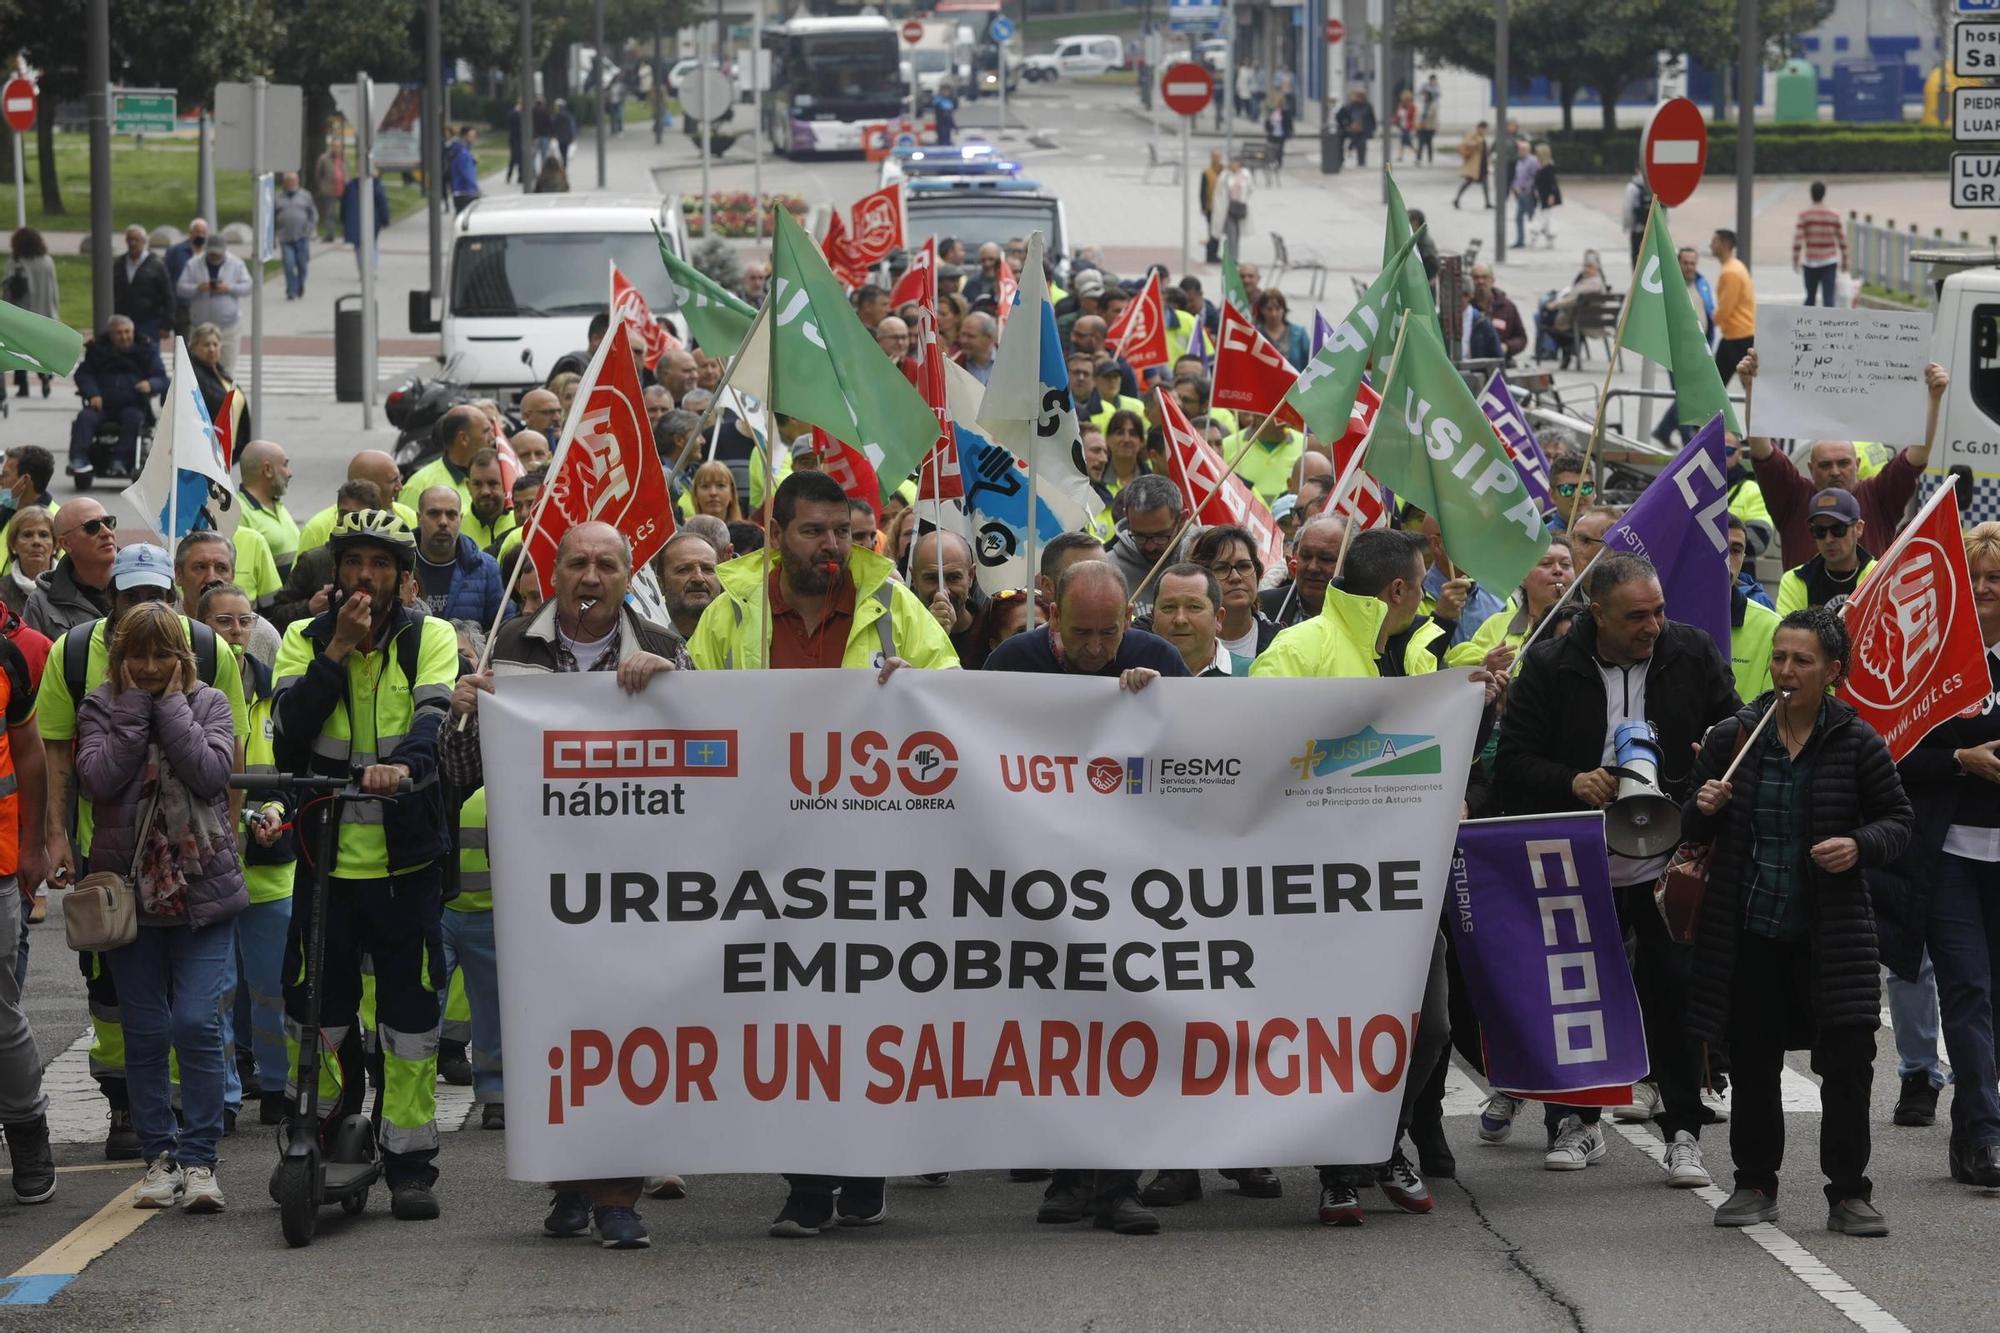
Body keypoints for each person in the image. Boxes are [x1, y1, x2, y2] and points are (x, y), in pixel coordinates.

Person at [687, 473, 954, 1237]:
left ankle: (864, 1164)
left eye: (843, 531)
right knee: (794, 1018)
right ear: (776, 534)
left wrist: (922, 694)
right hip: (769, 856)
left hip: (877, 852)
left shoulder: (894, 610)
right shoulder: (731, 611)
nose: (832, 545)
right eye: (814, 531)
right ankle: (808, 1182)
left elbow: (955, 694)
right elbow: (696, 706)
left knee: (867, 1016)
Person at [443, 520, 687, 1245]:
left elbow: (709, 762)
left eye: (605, 564)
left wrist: (677, 695)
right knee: (555, 1040)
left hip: (636, 887)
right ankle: (569, 1181)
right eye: (577, 562)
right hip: (539, 888)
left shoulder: (665, 649)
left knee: (628, 1033)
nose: (590, 576)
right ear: (552, 572)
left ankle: (617, 1195)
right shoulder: (509, 646)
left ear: (626, 574)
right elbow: (460, 778)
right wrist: (461, 718)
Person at [1491, 554, 1739, 1183]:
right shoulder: (1549, 667)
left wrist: (1708, 754)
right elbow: (1512, 764)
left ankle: (1683, 1129)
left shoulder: (1692, 651)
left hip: (1666, 857)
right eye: (1636, 616)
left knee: (1674, 993)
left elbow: (1735, 729)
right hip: (1580, 858)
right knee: (1580, 995)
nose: (1653, 625)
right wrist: (1571, 780)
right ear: (1595, 614)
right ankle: (1576, 1123)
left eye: (1658, 611)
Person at [1250, 528, 1462, 1222]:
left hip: (1401, 879)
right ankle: (1340, 1167)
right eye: (1422, 585)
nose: (1429, 597)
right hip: (1321, 886)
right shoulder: (1299, 649)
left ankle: (1380, 1141)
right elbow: (1263, 753)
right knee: (1338, 1029)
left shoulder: (1404, 651)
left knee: (1428, 1026)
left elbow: (1420, 749)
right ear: (1396, 590)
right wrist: (1394, 761)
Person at [1684, 607, 1912, 1236]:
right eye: (1780, 657)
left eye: (1802, 661)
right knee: (1754, 1062)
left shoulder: (1856, 740)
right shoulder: (1738, 735)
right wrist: (1703, 806)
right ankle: (1754, 1183)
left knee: (1846, 1065)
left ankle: (1848, 1193)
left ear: (1832, 671)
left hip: (1831, 934)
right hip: (1751, 929)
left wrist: (1858, 845)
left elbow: (1899, 822)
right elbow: (1691, 829)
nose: (1786, 670)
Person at [985, 558, 1184, 1236]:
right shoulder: (1012, 661)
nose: (1098, 649)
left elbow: (1195, 753)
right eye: (1082, 634)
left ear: (1129, 618)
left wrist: (1163, 703)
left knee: (1125, 1024)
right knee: (1060, 1029)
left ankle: (1118, 1184)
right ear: (1050, 615)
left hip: (1129, 881)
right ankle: (1069, 1174)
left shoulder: (1156, 657)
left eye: (1109, 632)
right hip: (1039, 878)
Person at [271, 510, 459, 1222]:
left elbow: (431, 725)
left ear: (402, 576)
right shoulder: (303, 638)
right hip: (325, 864)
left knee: (409, 1020)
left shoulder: (428, 637)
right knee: (317, 1013)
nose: (366, 577)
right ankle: (316, 1131)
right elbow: (289, 734)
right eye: (355, 562)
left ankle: (410, 1162)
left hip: (405, 864)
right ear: (337, 569)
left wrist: (398, 770)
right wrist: (338, 651)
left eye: (381, 565)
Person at [75, 602, 243, 1213]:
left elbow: (211, 773)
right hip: (129, 899)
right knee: (144, 1032)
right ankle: (160, 1157)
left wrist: (168, 707)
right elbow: (98, 778)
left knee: (197, 1024)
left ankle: (200, 1161)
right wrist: (131, 711)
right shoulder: (100, 705)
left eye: (160, 655)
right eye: (136, 655)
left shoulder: (210, 704)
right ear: (118, 658)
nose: (147, 667)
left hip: (202, 892)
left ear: (183, 658)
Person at [1876, 522, 2000, 1189]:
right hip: (1947, 855)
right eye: (1974, 577)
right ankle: (1984, 1133)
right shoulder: (1932, 661)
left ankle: (1972, 1128)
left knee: (1994, 997)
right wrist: (1959, 757)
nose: (1984, 588)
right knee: (1967, 990)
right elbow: (1894, 752)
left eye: (1996, 579)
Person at [194, 582, 292, 1128]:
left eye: (244, 621)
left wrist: (274, 806)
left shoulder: (273, 693)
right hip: (207, 863)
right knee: (217, 993)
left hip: (269, 869)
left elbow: (284, 772)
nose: (236, 632)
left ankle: (277, 1086)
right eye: (223, 622)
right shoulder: (185, 693)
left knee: (274, 986)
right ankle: (224, 1097)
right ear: (200, 628)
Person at [1736, 354, 1945, 569]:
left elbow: (1917, 455)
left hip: (1868, 604)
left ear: (1858, 464)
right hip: (1801, 603)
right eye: (1825, 465)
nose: (1835, 472)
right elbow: (1762, 450)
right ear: (1810, 468)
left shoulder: (1879, 496)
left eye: (1843, 463)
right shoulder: (1793, 497)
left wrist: (1934, 398)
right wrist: (1753, 388)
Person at [1445, 537, 1575, 670]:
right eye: (1546, 563)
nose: (1558, 570)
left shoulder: (1585, 623)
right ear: (1522, 577)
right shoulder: (1496, 623)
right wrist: (1484, 666)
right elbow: (1456, 659)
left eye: (1566, 565)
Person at [70, 316, 165, 481]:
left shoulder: (146, 350)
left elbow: (162, 378)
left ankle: (120, 460)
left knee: (134, 419)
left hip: (133, 404)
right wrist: (92, 393)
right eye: (119, 333)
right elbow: (84, 374)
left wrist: (151, 384)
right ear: (111, 335)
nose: (124, 336)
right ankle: (79, 459)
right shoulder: (98, 350)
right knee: (84, 418)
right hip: (102, 404)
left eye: (127, 332)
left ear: (133, 332)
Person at [26, 498, 117, 640]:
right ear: (66, 543)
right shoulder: (41, 603)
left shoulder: (141, 585)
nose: (106, 532)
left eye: (109, 522)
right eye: (92, 527)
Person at [1774, 488, 1875, 616]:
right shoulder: (1795, 580)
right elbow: (1789, 634)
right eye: (1819, 531)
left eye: (1838, 529)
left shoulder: (1878, 576)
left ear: (1858, 528)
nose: (1828, 539)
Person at [411, 487, 503, 625]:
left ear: (460, 519)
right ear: (419, 518)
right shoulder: (400, 565)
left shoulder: (486, 568)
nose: (443, 522)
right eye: (434, 513)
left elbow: (502, 625)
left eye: (451, 514)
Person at [1190, 524, 1279, 666]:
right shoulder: (1182, 641)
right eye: (1221, 568)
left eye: (1244, 566)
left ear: (1258, 572)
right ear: (1201, 578)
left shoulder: (1281, 641)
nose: (1236, 577)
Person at [1417, 513, 1507, 649]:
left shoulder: (1501, 595)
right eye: (1468, 535)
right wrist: (1441, 618)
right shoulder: (1413, 600)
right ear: (1437, 544)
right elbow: (1413, 663)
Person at [1103, 475, 1184, 620]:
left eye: (1160, 536)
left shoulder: (1202, 557)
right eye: (1139, 536)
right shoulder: (1107, 570)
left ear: (1182, 520)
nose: (1150, 546)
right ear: (1127, 518)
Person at [175, 237, 251, 378]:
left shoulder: (236, 263)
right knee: (197, 370)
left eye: (218, 253)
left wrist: (229, 288)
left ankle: (225, 397)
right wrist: (198, 288)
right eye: (211, 253)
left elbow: (248, 287)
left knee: (227, 368)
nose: (214, 256)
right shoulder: (193, 263)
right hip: (200, 327)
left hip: (228, 327)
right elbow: (180, 288)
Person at [907, 530, 984, 667]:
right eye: (931, 578)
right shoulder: (900, 634)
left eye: (954, 578)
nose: (943, 591)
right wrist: (931, 636)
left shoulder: (993, 631)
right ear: (914, 578)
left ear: (971, 576)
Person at [1725, 514, 1781, 700]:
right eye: (1719, 549)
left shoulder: (1771, 627)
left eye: (1735, 550)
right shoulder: (1665, 615)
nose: (1727, 561)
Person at [1259, 513, 1346, 631]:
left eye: (1326, 558)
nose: (1312, 568)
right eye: (1306, 556)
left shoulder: (1366, 619)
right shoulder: (1262, 608)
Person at [1150, 562, 1237, 676]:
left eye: (1194, 607)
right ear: (1153, 617)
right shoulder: (1129, 677)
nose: (1180, 620)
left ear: (1218, 618)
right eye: (1168, 607)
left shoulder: (1252, 674)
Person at [5, 228, 58, 400]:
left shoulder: (15, 262)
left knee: (18, 349)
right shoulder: (47, 261)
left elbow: (7, 289)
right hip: (45, 311)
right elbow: (54, 289)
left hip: (22, 312)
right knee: (41, 349)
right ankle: (44, 376)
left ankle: (22, 385)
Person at [237, 441, 298, 575]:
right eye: (285, 465)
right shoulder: (239, 513)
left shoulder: (277, 505)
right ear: (268, 470)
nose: (290, 473)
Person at [188, 322, 249, 447]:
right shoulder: (192, 375)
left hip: (227, 447)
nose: (212, 349)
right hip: (208, 446)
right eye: (206, 345)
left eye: (215, 344)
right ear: (194, 347)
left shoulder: (220, 371)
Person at [112, 225, 173, 346]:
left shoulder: (156, 265)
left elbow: (168, 295)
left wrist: (167, 324)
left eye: (137, 240)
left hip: (149, 322)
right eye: (130, 240)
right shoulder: (119, 264)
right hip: (123, 321)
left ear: (144, 242)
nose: (133, 243)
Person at [1710, 228, 1756, 387]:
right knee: (1747, 385)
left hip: (1737, 336)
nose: (1711, 245)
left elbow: (1725, 307)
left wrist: (1712, 320)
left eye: (1715, 241)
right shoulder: (1736, 266)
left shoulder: (1730, 272)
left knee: (1715, 387)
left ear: (1725, 244)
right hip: (1740, 334)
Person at [655, 531, 720, 641]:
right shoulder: (647, 640)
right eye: (684, 570)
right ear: (660, 583)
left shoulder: (739, 631)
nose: (698, 578)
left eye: (708, 569)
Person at [1793, 181, 1847, 308]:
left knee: (1810, 298)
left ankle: (1805, 325)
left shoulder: (1805, 216)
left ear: (1811, 194)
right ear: (1824, 194)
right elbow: (1842, 240)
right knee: (1829, 299)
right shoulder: (1833, 215)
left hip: (1811, 261)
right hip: (1829, 261)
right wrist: (1845, 260)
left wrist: (1795, 259)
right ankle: (1829, 326)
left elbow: (1798, 240)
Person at [459, 450, 517, 554]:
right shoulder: (456, 527)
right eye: (477, 484)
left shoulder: (520, 521)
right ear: (468, 486)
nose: (485, 492)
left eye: (492, 483)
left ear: (506, 482)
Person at [1, 508, 55, 618]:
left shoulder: (74, 587)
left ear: (55, 545)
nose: (36, 541)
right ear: (13, 545)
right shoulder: (1, 591)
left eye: (44, 535)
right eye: (27, 535)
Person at [272, 172, 318, 301]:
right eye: (289, 181)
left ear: (297, 182)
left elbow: (313, 215)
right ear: (284, 183)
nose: (291, 183)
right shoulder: (277, 197)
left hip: (302, 237)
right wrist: (273, 235)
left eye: (294, 181)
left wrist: (308, 230)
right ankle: (291, 291)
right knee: (288, 264)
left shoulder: (305, 195)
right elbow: (272, 217)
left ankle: (300, 285)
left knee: (302, 266)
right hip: (285, 237)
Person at [163, 218, 210, 343]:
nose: (200, 235)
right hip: (182, 307)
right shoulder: (175, 252)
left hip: (205, 306)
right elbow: (166, 279)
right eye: (197, 231)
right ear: (191, 233)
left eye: (203, 232)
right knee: (183, 345)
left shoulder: (210, 253)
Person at [1470, 264, 1528, 362]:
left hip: (1500, 362)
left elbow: (1521, 338)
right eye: (1476, 278)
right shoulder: (1465, 306)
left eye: (1485, 277)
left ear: (1492, 280)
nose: (1480, 281)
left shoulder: (1507, 306)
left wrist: (1507, 346)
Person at [342, 171, 392, 272]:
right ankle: (371, 270)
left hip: (355, 221)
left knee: (358, 246)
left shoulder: (350, 185)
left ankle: (363, 270)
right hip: (372, 221)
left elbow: (343, 206)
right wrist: (385, 220)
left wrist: (343, 219)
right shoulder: (375, 184)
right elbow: (382, 203)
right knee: (372, 245)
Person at [1252, 289, 1310, 371]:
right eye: (1269, 309)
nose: (1274, 314)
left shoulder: (1300, 334)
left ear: (1284, 309)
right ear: (1262, 310)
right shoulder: (1255, 334)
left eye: (1278, 309)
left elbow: (1310, 362)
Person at [1213, 156, 1252, 264]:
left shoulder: (1245, 174)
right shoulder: (1225, 175)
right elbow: (1220, 190)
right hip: (1229, 207)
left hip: (1240, 207)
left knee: (1237, 233)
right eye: (1232, 163)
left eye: (1235, 163)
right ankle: (1232, 258)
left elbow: (1250, 189)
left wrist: (1244, 200)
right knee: (1231, 233)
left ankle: (1235, 256)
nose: (1233, 166)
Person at [313, 135, 346, 242]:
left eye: (338, 146)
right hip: (329, 190)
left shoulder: (342, 158)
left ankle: (345, 234)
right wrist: (322, 186)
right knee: (330, 213)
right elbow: (318, 174)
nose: (336, 149)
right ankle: (330, 235)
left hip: (343, 189)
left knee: (344, 213)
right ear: (331, 146)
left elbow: (346, 171)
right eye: (335, 146)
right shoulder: (324, 158)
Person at [1530, 144, 1561, 248]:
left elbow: (1553, 183)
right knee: (1545, 218)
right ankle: (1549, 238)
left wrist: (1551, 195)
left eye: (1538, 153)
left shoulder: (1549, 167)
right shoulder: (1540, 166)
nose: (1536, 156)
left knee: (1543, 217)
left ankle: (1535, 235)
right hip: (1540, 196)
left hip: (1547, 197)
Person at [446, 125, 481, 214]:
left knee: (460, 215)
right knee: (464, 217)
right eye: (471, 136)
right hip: (465, 191)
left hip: (462, 191)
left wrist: (472, 161)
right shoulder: (462, 152)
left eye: (474, 136)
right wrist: (476, 189)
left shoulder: (462, 150)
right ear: (464, 136)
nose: (473, 138)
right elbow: (466, 172)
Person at [1454, 122, 1489, 209]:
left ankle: (1487, 202)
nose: (1484, 130)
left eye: (1485, 129)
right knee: (1468, 182)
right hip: (1474, 164)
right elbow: (1465, 143)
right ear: (1479, 127)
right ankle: (1457, 199)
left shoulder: (1482, 136)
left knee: (1485, 184)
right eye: (1483, 128)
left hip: (1482, 164)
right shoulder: (1473, 134)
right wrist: (1477, 142)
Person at [956, 312, 998, 386]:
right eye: (962, 334)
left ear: (989, 338)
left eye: (970, 336)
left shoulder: (1010, 361)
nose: (963, 340)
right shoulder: (956, 363)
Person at [1623, 170, 1652, 268]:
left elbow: (1627, 209)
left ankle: (1636, 280)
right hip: (1652, 230)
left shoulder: (1632, 187)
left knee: (1636, 257)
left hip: (1637, 229)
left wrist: (1627, 226)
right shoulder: (1654, 185)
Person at [1416, 75, 1440, 163]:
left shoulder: (1433, 105)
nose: (1424, 97)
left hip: (1430, 127)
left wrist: (1436, 127)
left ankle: (1430, 159)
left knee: (1429, 144)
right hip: (1422, 127)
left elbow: (1433, 116)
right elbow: (1418, 115)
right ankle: (1418, 158)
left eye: (1426, 95)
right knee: (1420, 143)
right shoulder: (1422, 104)